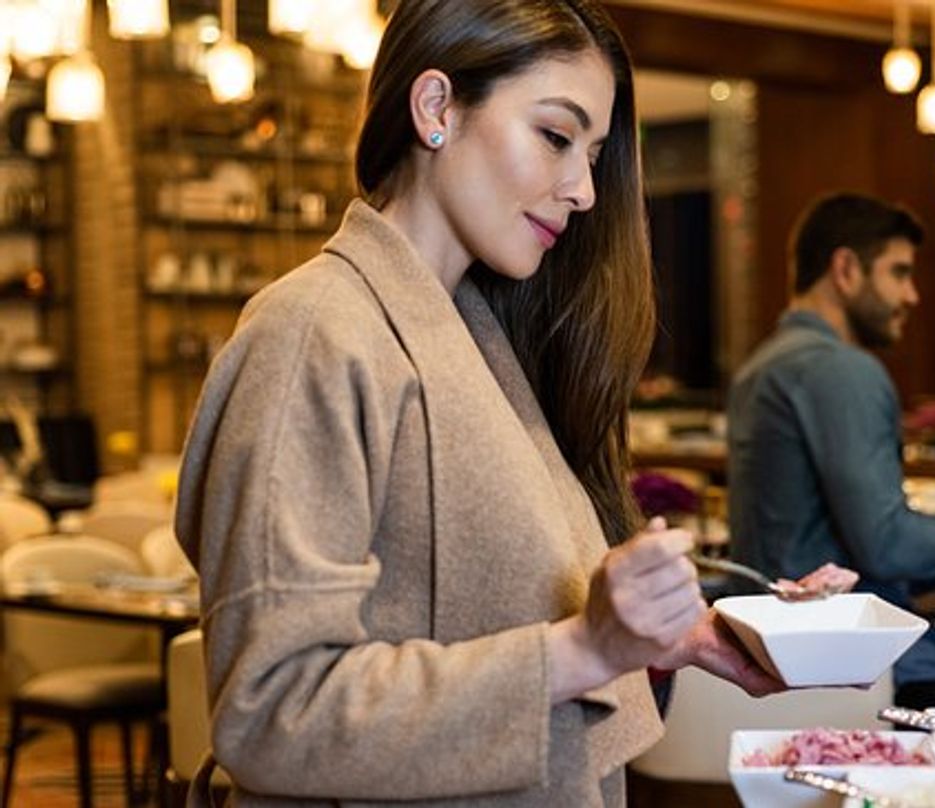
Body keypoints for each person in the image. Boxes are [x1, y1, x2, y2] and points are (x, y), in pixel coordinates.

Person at [173, 3, 855, 805]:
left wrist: (669, 631)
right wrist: (585, 650)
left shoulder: (478, 339)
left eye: (594, 154)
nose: (585, 191)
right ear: (435, 109)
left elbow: (497, 606)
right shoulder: (314, 333)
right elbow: (273, 713)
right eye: (556, 137)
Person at [727, 192, 935, 710]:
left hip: (791, 667)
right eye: (899, 273)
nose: (913, 295)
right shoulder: (841, 368)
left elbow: (820, 545)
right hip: (865, 675)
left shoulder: (762, 367)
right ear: (846, 269)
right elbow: (885, 544)